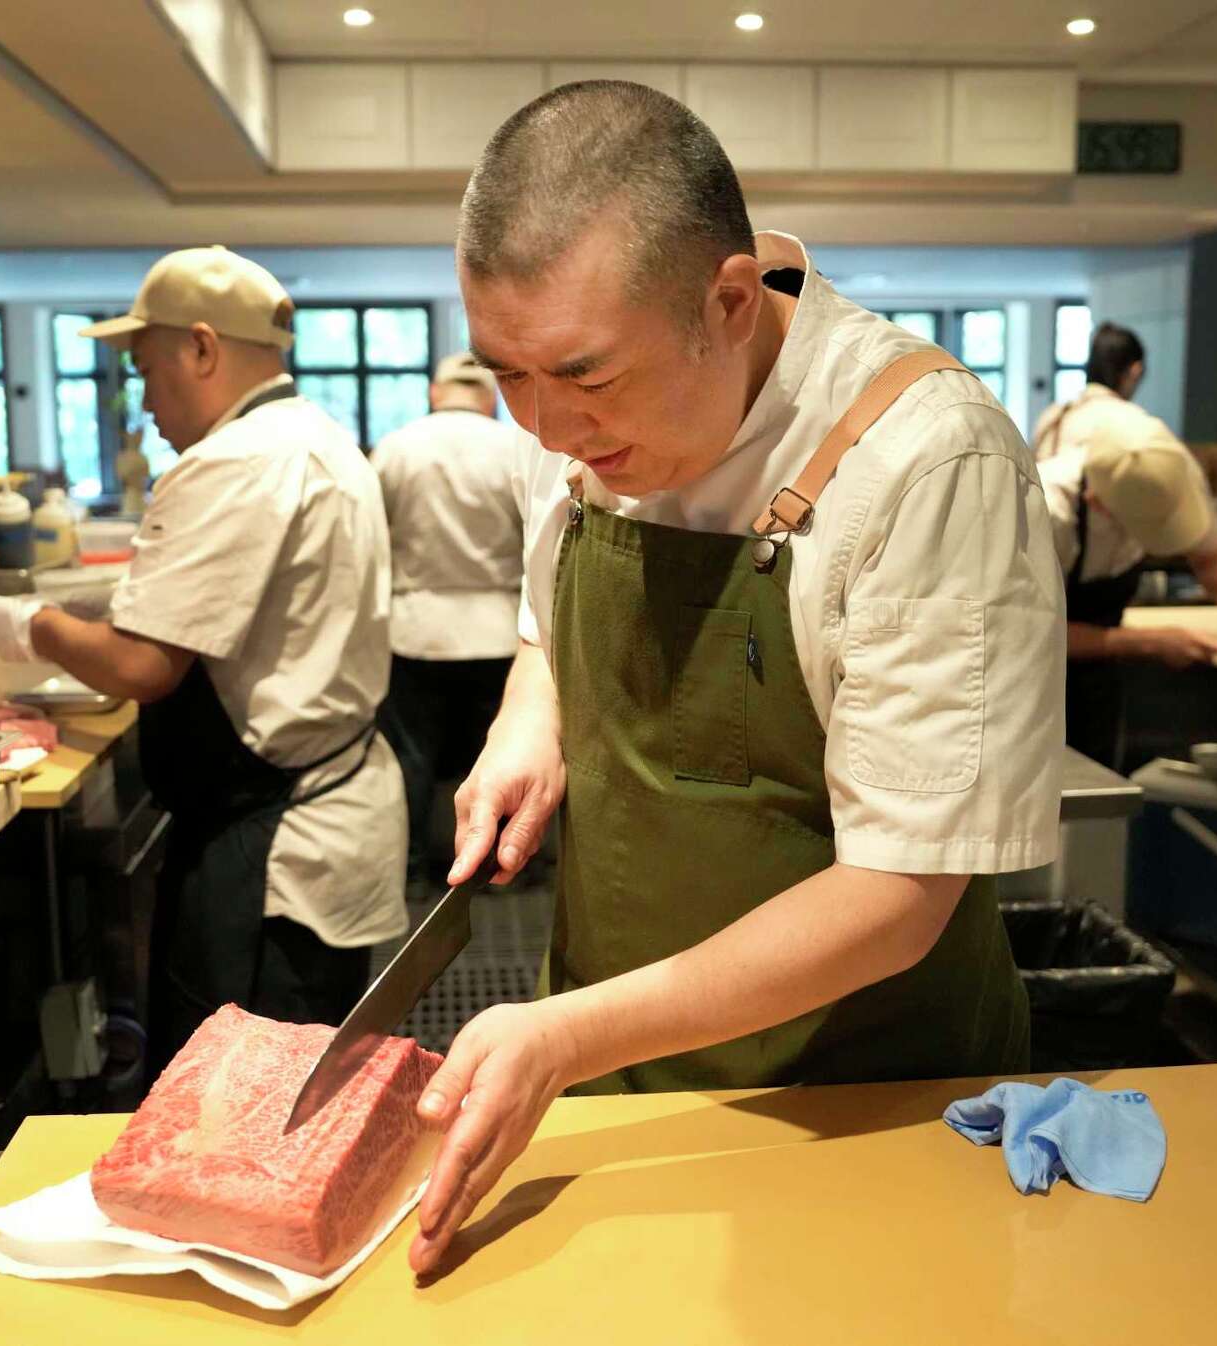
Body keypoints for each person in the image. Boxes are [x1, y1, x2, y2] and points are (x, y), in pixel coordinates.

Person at [405, 81, 1065, 1274]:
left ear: (726, 300)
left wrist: (566, 1033)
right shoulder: (602, 417)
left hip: (855, 1092)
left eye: (583, 379)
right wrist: (527, 714)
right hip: (606, 1059)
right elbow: (546, 613)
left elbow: (896, 895)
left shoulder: (925, 461)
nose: (547, 428)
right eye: (506, 374)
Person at [0, 246, 406, 1076]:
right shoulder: (313, 436)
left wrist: (32, 625)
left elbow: (143, 666)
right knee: (304, 1088)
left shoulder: (231, 461)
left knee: (242, 1104)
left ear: (202, 349)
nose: (142, 402)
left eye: (144, 370)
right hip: (321, 805)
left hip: (275, 847)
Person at [1034, 323, 1217, 767]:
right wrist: (1147, 642)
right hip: (1035, 677)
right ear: (1096, 501)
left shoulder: (1162, 458)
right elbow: (1031, 632)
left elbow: (1211, 557)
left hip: (1098, 669)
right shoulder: (1048, 510)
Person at [372, 352, 526, 892]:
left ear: (436, 393)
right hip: (498, 628)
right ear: (490, 398)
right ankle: (503, 866)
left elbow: (373, 541)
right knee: (501, 756)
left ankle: (412, 871)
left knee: (411, 762)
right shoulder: (515, 448)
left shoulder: (396, 447)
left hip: (415, 629)